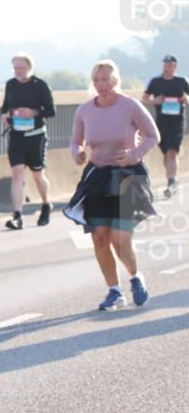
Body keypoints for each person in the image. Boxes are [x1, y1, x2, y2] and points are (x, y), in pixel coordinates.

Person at [64, 60, 159, 311]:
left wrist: (134, 155)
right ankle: (114, 291)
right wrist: (77, 153)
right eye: (96, 80)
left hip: (127, 177)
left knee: (120, 238)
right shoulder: (85, 110)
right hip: (97, 178)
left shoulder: (130, 106)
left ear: (115, 80)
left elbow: (153, 136)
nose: (100, 84)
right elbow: (75, 141)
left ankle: (136, 276)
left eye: (105, 79)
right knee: (100, 238)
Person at [0, 53, 56, 229]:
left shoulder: (40, 85)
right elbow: (4, 107)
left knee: (38, 176)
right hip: (16, 136)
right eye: (15, 68)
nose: (18, 71)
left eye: (21, 68)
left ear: (30, 68)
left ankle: (46, 204)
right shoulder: (11, 85)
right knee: (17, 174)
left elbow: (51, 111)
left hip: (36, 136)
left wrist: (33, 113)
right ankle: (17, 216)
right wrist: (5, 115)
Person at [141, 54, 188, 199]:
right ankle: (171, 178)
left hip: (177, 121)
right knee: (166, 152)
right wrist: (156, 101)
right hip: (161, 122)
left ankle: (171, 182)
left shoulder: (181, 81)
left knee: (172, 152)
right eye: (164, 65)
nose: (166, 68)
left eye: (169, 65)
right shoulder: (156, 82)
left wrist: (186, 99)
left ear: (175, 67)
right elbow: (144, 99)